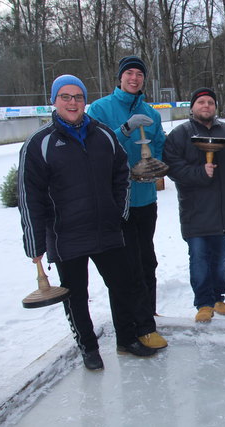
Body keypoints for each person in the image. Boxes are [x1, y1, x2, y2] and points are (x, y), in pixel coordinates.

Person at [17, 75, 160, 370]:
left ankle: (127, 338)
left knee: (123, 285)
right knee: (76, 295)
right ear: (54, 101)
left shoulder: (103, 135)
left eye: (78, 97)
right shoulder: (39, 143)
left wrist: (118, 212)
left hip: (107, 229)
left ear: (85, 101)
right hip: (65, 234)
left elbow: (122, 174)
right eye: (66, 97)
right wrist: (35, 242)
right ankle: (88, 347)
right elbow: (29, 195)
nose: (72, 102)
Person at [88, 56, 166, 349]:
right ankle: (134, 328)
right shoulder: (100, 109)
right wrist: (125, 129)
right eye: (129, 73)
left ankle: (148, 318)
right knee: (126, 268)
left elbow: (157, 146)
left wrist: (155, 164)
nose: (134, 78)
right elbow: (96, 151)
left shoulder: (151, 113)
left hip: (145, 200)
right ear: (120, 77)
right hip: (117, 203)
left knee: (147, 262)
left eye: (139, 74)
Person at [163, 87, 225, 323]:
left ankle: (218, 297)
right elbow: (172, 167)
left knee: (220, 260)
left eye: (210, 102)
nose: (206, 106)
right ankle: (203, 303)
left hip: (224, 210)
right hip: (195, 211)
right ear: (192, 107)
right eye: (201, 102)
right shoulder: (180, 134)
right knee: (199, 258)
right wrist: (199, 172)